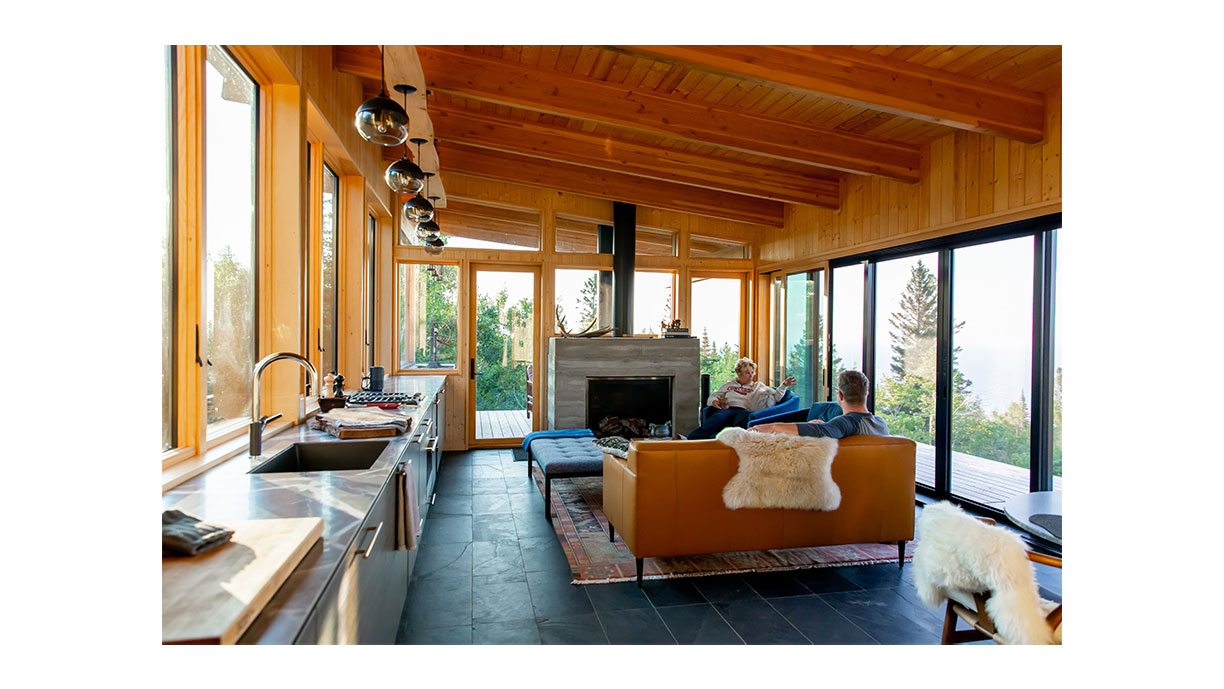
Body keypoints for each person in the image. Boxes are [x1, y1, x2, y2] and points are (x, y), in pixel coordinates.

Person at [751, 370, 890, 438]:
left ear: (840, 395)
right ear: (867, 393)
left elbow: (820, 432)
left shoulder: (847, 423)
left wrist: (772, 427)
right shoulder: (880, 424)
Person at [687, 358, 795, 440]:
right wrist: (714, 401)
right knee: (719, 417)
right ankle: (692, 439)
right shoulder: (729, 385)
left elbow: (776, 396)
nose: (751, 376)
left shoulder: (758, 386)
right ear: (739, 373)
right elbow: (714, 395)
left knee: (745, 416)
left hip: (743, 410)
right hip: (727, 408)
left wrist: (784, 385)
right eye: (747, 373)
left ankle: (725, 440)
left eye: (752, 372)